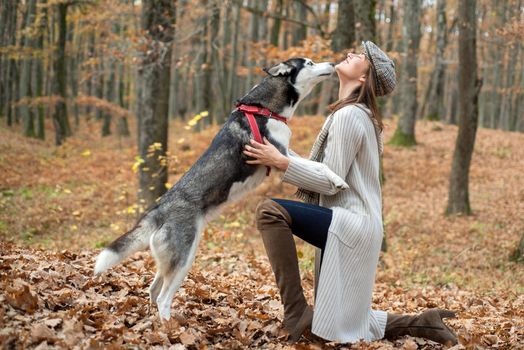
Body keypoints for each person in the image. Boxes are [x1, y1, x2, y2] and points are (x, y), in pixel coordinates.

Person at [243, 41, 459, 345]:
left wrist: (281, 162)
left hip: (351, 221)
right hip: (359, 222)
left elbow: (332, 180)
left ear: (363, 79)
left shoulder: (349, 117)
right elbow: (330, 169)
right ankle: (423, 323)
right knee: (349, 317)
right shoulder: (356, 114)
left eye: (361, 57)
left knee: (269, 211)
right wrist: (280, 152)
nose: (352, 54)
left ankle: (295, 312)